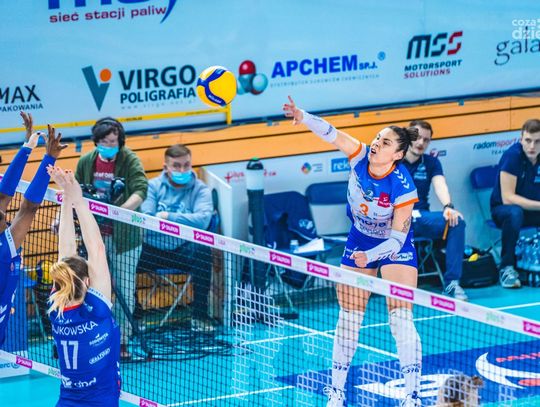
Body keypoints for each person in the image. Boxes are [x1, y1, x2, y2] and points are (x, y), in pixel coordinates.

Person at [283, 97, 422, 407]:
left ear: (398, 155)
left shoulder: (402, 186)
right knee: (349, 319)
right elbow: (331, 132)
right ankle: (336, 392)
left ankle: (412, 396)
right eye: (378, 138)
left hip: (394, 245)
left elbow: (397, 240)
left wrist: (370, 258)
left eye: (385, 143)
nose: (377, 144)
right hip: (360, 238)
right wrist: (302, 115)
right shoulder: (359, 155)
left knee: (400, 318)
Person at [47, 167, 120, 407]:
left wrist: (67, 198)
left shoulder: (56, 307)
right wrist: (76, 199)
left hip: (67, 401)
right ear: (88, 282)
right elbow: (96, 248)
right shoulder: (97, 309)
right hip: (101, 401)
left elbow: (66, 250)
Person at [75, 117, 147, 358]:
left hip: (125, 239)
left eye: (113, 141)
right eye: (104, 141)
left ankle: (121, 342)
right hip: (94, 236)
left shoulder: (129, 160)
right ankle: (94, 338)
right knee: (94, 289)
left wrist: (121, 212)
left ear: (120, 141)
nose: (108, 145)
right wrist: (59, 219)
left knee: (125, 290)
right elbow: (74, 192)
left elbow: (140, 190)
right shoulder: (86, 162)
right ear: (96, 141)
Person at [0, 113, 65, 347]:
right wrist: (49, 157)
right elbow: (28, 206)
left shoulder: (6, 243)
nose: (4, 212)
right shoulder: (6, 248)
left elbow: (6, 196)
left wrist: (29, 148)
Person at [139, 144, 215, 332]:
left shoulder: (201, 190)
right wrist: (185, 222)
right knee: (124, 255)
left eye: (186, 165)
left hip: (182, 249)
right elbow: (147, 218)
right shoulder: (152, 186)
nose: (182, 170)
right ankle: (136, 315)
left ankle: (200, 316)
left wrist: (168, 217)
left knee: (203, 251)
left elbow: (203, 221)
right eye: (176, 166)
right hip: (152, 249)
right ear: (166, 167)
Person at [402, 120, 468, 301]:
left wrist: (448, 207)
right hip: (393, 220)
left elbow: (440, 185)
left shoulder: (431, 162)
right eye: (417, 137)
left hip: (421, 217)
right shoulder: (390, 160)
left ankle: (452, 283)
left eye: (426, 140)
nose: (421, 143)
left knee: (456, 222)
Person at [490, 119, 540, 288]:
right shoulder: (512, 156)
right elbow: (508, 198)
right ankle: (506, 268)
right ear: (521, 139)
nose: (532, 146)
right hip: (503, 211)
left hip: (533, 210)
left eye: (537, 141)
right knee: (514, 212)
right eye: (528, 140)